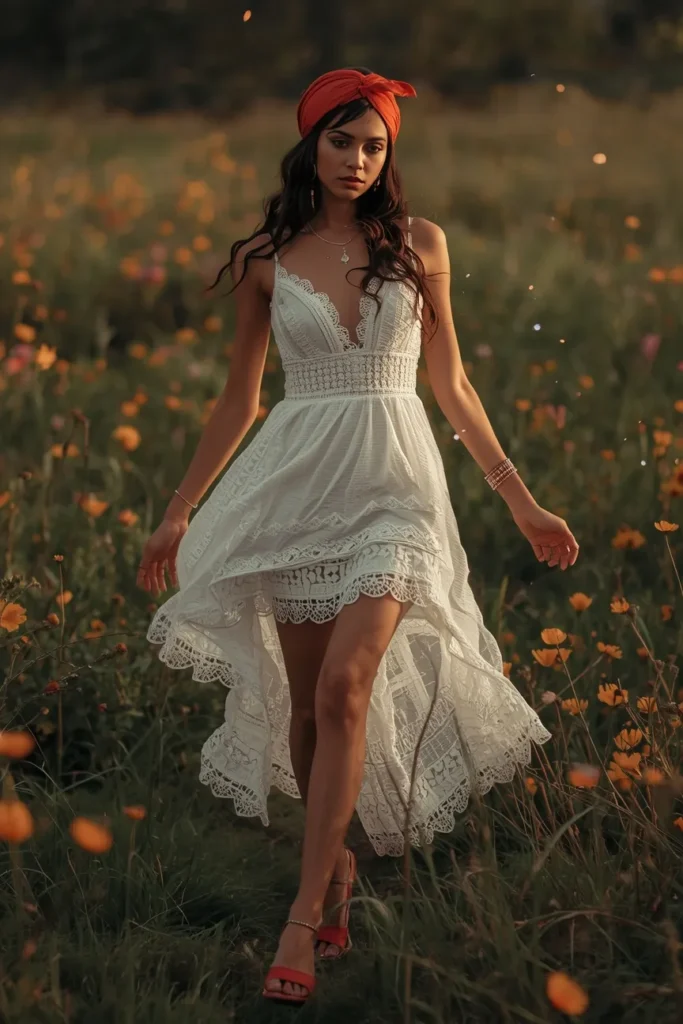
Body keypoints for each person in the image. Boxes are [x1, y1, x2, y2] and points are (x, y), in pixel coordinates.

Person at [137, 67, 579, 1006]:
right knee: (307, 710)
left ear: (390, 155)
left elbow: (451, 387)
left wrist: (520, 501)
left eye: (374, 145)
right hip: (296, 489)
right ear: (310, 145)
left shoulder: (420, 245)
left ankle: (300, 914)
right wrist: (179, 508)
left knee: (346, 684)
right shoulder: (268, 256)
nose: (357, 160)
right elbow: (239, 402)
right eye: (342, 142)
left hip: (397, 491)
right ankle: (332, 869)